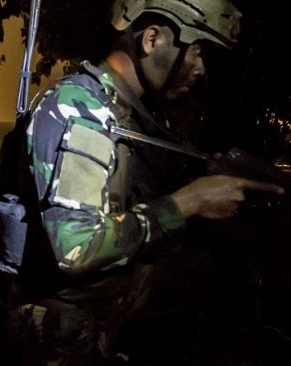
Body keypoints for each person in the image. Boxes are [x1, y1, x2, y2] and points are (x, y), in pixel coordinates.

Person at [14, 0, 285, 364]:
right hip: (58, 331)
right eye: (198, 53)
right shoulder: (81, 106)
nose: (201, 69)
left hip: (107, 312)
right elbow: (75, 247)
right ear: (152, 39)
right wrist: (189, 203)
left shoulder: (128, 113)